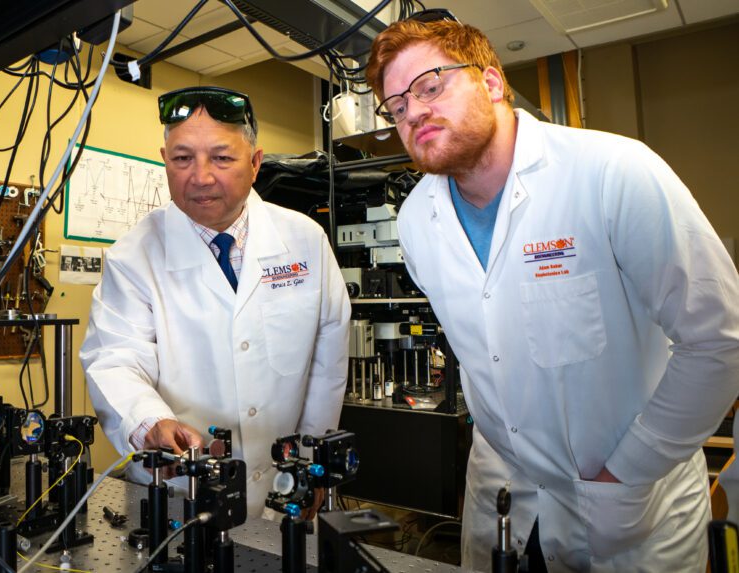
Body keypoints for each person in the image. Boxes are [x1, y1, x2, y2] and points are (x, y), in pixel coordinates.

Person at [365, 13, 739, 572]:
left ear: (491, 82)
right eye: (397, 105)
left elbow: (720, 340)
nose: (413, 111)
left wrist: (625, 473)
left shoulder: (612, 171)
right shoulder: (418, 217)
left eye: (431, 85)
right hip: (505, 487)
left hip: (631, 501)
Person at [80, 86, 350, 516]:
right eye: (182, 158)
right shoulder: (133, 256)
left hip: (281, 484)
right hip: (177, 488)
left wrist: (311, 463)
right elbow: (115, 358)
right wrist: (150, 422)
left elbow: (327, 363)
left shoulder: (304, 241)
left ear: (256, 163)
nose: (200, 176)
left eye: (222, 158)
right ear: (164, 160)